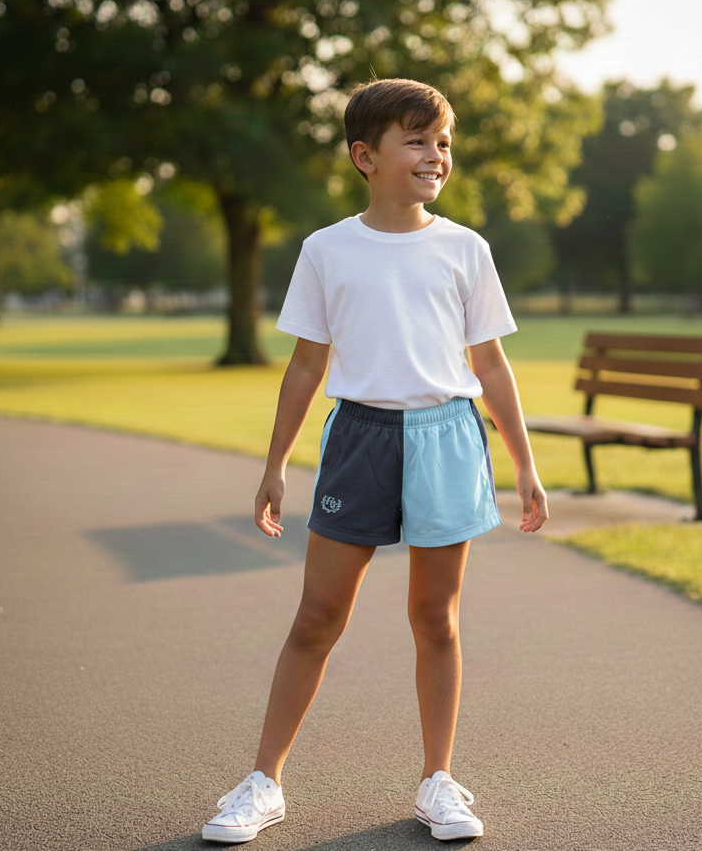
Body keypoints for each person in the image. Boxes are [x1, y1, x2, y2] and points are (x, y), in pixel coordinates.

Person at [202, 77, 548, 845]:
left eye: (444, 142)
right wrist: (274, 464)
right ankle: (263, 783)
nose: (436, 155)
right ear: (366, 155)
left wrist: (524, 463)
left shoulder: (465, 248)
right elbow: (304, 366)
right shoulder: (327, 249)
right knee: (318, 615)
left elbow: (489, 364)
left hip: (448, 437)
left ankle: (438, 782)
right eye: (417, 140)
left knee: (436, 617)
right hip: (358, 438)